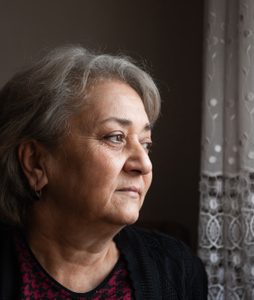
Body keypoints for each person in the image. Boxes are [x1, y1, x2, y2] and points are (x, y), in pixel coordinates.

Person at [0, 46, 208, 299]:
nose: (144, 164)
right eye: (115, 137)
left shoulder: (177, 268)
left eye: (146, 144)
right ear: (35, 162)